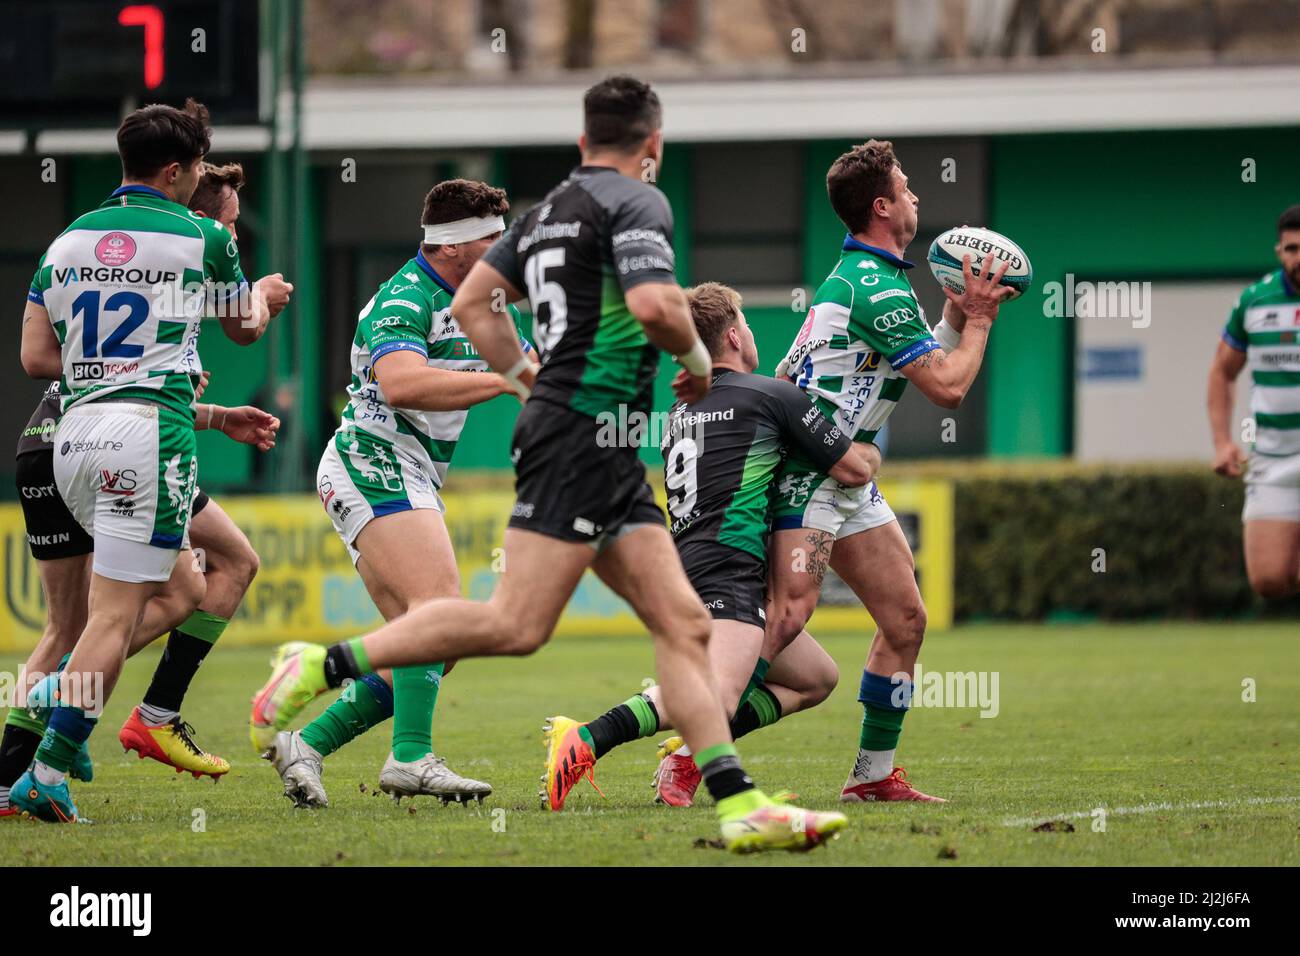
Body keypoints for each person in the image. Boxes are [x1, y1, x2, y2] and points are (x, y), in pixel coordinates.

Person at [251, 76, 847, 852]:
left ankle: (739, 804)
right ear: (653, 144)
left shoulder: (545, 214)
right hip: (580, 438)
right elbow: (656, 307)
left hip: (586, 437)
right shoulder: (639, 200)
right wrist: (699, 362)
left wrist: (531, 381)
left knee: (684, 623)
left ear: (579, 143)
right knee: (513, 624)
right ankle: (322, 664)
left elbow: (473, 310)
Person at [11, 99, 291, 823]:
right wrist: (260, 294)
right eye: (196, 167)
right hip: (147, 435)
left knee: (154, 597)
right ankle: (47, 745)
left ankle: (49, 742)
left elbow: (36, 357)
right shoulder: (203, 235)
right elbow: (242, 331)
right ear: (176, 171)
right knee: (116, 618)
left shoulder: (66, 242)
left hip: (70, 436)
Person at [547, 282, 879, 807]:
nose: (750, 333)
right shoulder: (772, 395)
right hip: (729, 567)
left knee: (816, 678)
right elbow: (855, 470)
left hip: (691, 562)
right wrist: (870, 447)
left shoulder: (684, 409)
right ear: (732, 334)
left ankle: (686, 756)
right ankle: (589, 735)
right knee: (715, 698)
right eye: (745, 325)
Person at [257, 180, 532, 807]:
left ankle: (308, 745)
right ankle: (411, 759)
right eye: (494, 238)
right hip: (371, 460)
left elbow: (536, 375)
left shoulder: (490, 303)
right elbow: (403, 383)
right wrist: (501, 379)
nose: (504, 250)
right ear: (455, 246)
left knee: (434, 643)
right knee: (438, 606)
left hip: (407, 470)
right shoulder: (405, 296)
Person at [766, 140, 1011, 803]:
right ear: (882, 207)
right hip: (814, 478)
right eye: (906, 190)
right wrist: (982, 320)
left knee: (904, 620)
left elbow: (794, 375)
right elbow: (949, 388)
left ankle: (872, 778)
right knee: (786, 621)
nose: (916, 198)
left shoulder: (864, 282)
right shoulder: (874, 288)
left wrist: (957, 312)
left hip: (847, 479)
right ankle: (683, 742)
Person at [1208, 204, 1300, 599]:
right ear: (1279, 251)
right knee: (1269, 579)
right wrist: (1222, 442)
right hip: (1273, 457)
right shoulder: (1255, 301)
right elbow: (1222, 372)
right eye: (1292, 249)